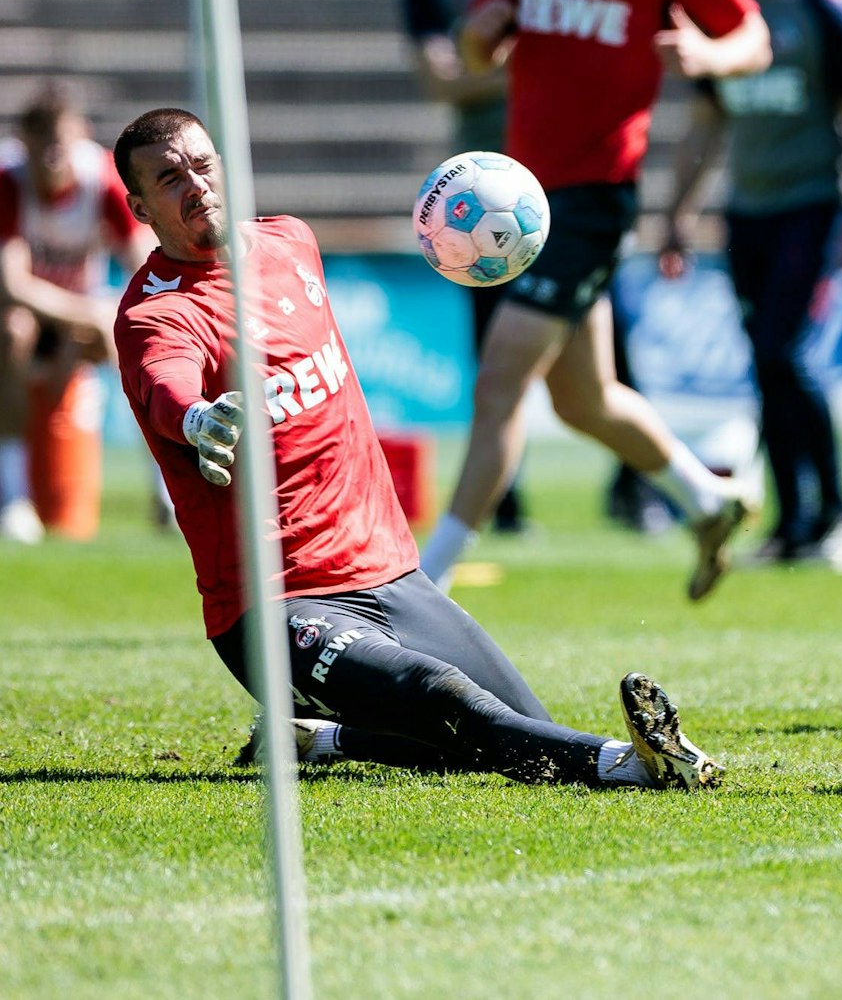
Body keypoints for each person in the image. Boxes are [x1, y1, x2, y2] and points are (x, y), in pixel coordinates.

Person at [111, 108, 718, 791]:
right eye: (169, 178)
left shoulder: (289, 243)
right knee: (442, 695)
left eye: (202, 164)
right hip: (280, 603)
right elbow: (167, 380)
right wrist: (195, 419)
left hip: (391, 572)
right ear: (138, 207)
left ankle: (324, 740)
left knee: (516, 726)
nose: (195, 185)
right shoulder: (154, 314)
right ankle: (632, 766)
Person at [419, 0, 773, 601]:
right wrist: (481, 32)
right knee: (585, 401)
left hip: (589, 197)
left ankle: (426, 579)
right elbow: (478, 51)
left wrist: (709, 56)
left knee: (503, 373)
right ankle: (707, 498)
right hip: (521, 190)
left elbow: (751, 37)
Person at [399, 0, 670, 536]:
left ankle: (642, 492)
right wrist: (535, 64)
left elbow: (523, 64)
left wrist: (496, 64)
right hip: (475, 193)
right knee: (495, 352)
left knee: (605, 358)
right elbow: (442, 82)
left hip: (566, 180)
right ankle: (503, 505)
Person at [660, 0, 842, 571]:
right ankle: (793, 523)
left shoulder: (825, 4)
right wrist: (678, 211)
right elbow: (705, 123)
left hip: (812, 209)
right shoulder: (727, 10)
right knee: (766, 364)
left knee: (790, 356)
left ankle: (840, 511)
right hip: (749, 214)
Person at [0, 83, 154, 543]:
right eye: (42, 139)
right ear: (24, 142)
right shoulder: (8, 181)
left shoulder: (102, 177)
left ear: (80, 136)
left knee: (133, 340)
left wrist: (111, 318)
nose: (52, 153)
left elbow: (145, 266)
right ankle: (14, 497)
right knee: (13, 333)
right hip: (23, 316)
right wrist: (90, 312)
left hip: (80, 322)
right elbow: (12, 285)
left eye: (60, 140)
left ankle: (165, 494)